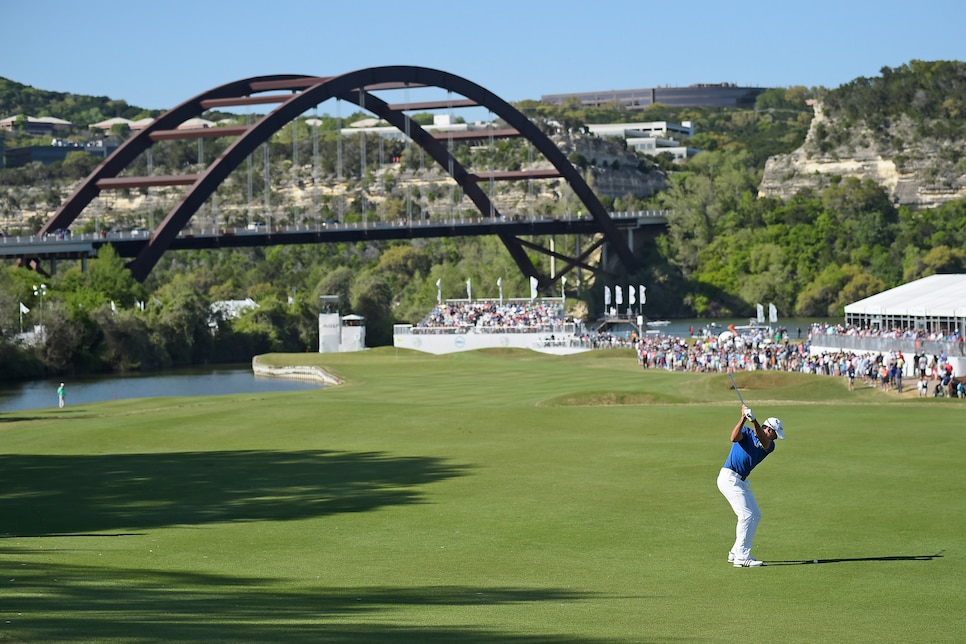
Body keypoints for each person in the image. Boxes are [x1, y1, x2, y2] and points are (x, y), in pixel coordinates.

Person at [717, 404, 785, 568]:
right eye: (775, 434)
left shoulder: (769, 445)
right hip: (729, 478)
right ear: (769, 429)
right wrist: (742, 418)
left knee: (755, 515)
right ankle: (741, 557)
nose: (775, 438)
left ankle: (735, 552)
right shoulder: (746, 433)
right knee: (746, 515)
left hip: (740, 481)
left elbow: (763, 441)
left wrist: (754, 420)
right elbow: (733, 438)